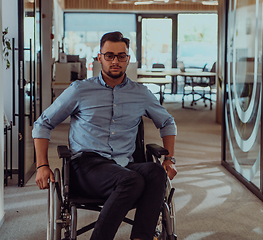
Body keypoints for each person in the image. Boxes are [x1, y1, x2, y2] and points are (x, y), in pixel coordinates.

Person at [32, 31, 177, 240]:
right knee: (132, 180)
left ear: (128, 59)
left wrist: (169, 159)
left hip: (125, 165)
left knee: (155, 172)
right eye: (109, 55)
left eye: (121, 56)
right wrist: (42, 165)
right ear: (99, 58)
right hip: (86, 167)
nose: (115, 61)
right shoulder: (80, 90)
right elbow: (43, 123)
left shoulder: (141, 93)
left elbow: (167, 122)